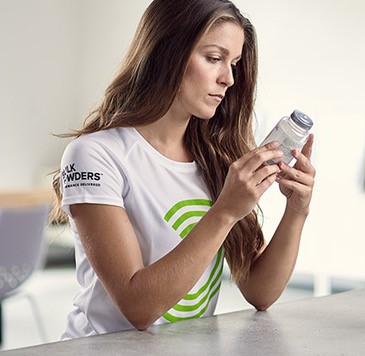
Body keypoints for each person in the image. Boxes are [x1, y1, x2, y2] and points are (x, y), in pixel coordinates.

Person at [50, 0, 315, 339]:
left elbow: (261, 291)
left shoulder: (216, 156)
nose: (229, 78)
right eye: (214, 58)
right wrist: (225, 211)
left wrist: (297, 210)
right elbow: (138, 308)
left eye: (233, 63)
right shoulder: (94, 155)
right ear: (166, 52)